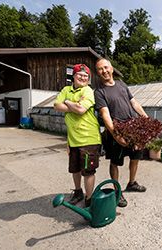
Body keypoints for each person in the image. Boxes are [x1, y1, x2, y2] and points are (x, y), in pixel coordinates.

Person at [94, 58, 148, 208]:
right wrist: (116, 135)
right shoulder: (99, 92)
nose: (104, 71)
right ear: (98, 73)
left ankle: (132, 183)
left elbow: (134, 103)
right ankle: (117, 191)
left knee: (136, 157)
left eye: (106, 67)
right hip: (118, 130)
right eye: (100, 69)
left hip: (133, 128)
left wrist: (145, 117)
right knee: (115, 162)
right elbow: (105, 115)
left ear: (111, 68)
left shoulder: (122, 84)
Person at [54, 64, 101, 207]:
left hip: (89, 138)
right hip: (73, 139)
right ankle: (78, 191)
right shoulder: (66, 89)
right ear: (73, 76)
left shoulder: (87, 91)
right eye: (80, 75)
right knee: (74, 169)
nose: (83, 77)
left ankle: (89, 199)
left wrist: (67, 102)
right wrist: (73, 104)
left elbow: (81, 110)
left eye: (86, 76)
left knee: (88, 171)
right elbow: (56, 105)